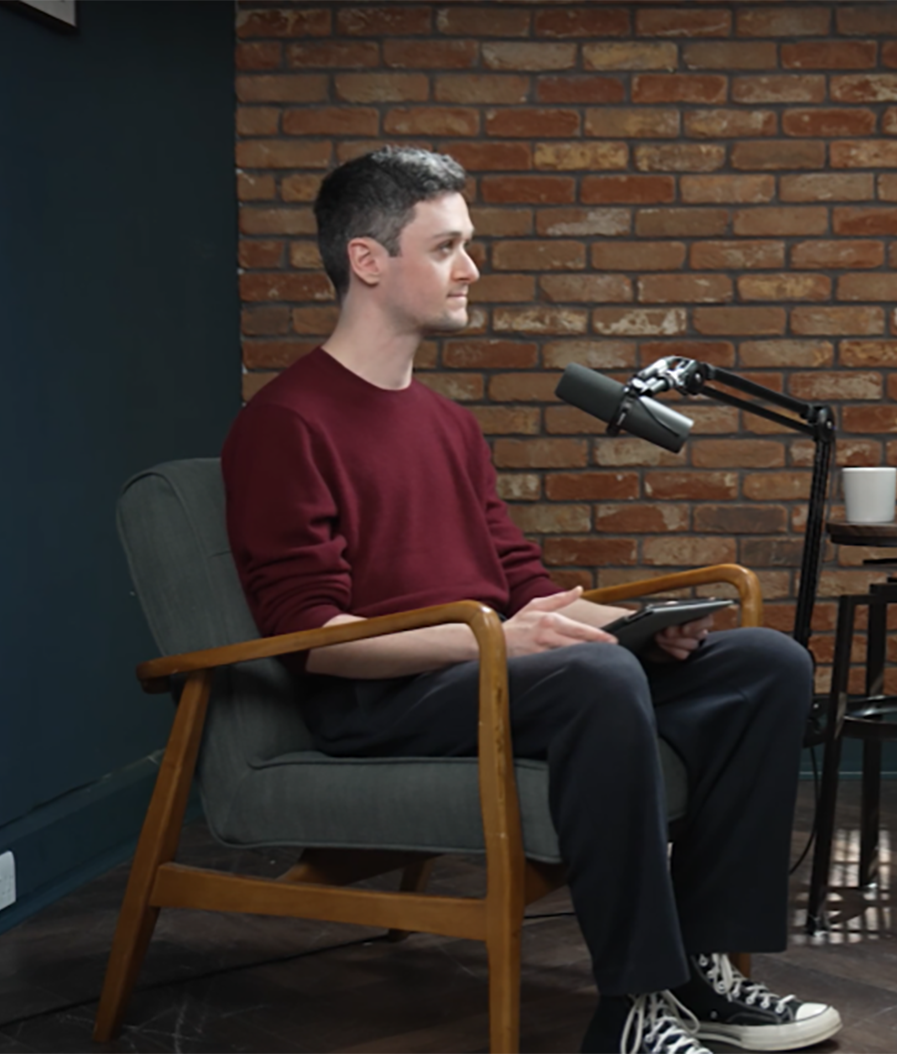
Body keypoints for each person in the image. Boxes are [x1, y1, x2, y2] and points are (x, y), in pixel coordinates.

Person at [221, 146, 841, 1054]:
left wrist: (636, 628)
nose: (471, 268)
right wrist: (496, 645)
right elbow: (311, 636)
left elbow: (520, 582)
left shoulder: (447, 423)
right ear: (367, 260)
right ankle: (632, 1007)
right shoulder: (285, 423)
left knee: (764, 664)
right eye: (446, 248)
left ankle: (707, 974)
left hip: (493, 667)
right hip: (385, 697)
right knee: (593, 681)